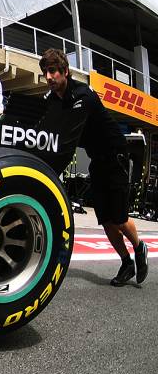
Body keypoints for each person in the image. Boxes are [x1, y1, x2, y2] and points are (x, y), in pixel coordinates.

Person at [39, 48, 147, 286]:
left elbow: (67, 140)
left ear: (65, 72)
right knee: (105, 219)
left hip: (115, 154)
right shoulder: (53, 100)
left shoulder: (83, 95)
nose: (48, 77)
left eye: (53, 71)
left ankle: (139, 248)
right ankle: (126, 262)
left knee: (118, 217)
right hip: (97, 159)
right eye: (45, 72)